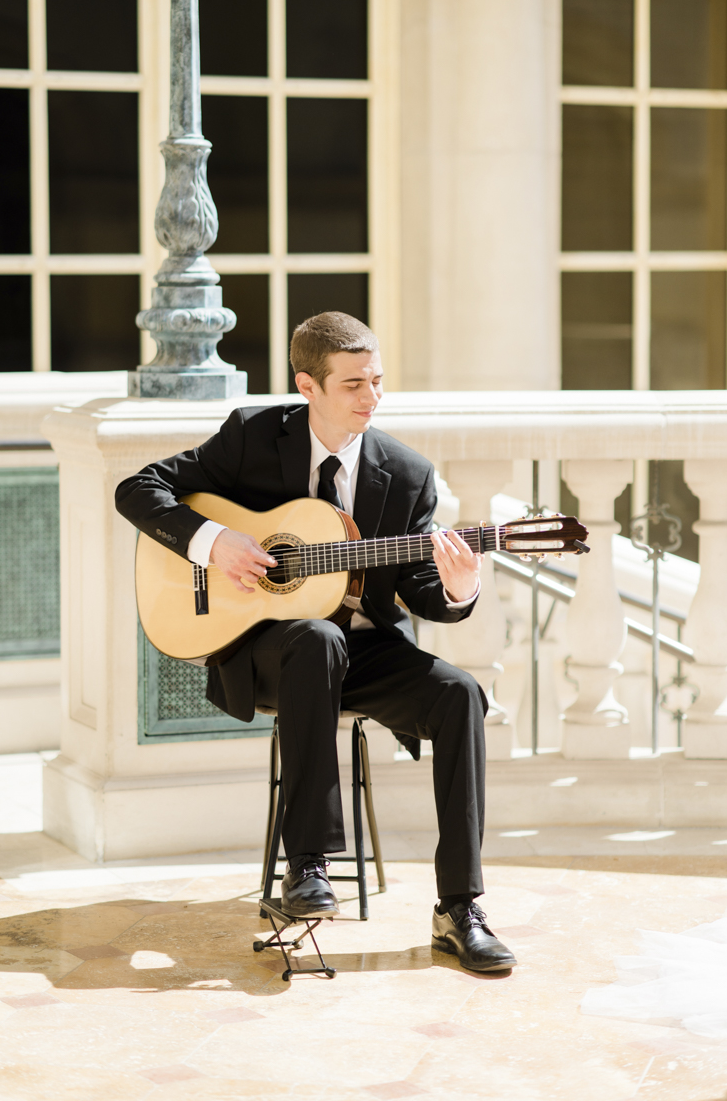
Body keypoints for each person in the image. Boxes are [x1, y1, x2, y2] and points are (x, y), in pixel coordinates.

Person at [115, 312, 516, 974]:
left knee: (459, 694)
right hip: (266, 651)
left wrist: (458, 587)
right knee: (313, 639)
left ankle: (460, 907)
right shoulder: (252, 437)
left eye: (378, 381)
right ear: (308, 384)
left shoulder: (406, 473)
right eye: (354, 383)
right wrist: (218, 543)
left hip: (361, 651)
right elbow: (138, 489)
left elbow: (418, 590)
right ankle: (308, 865)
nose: (371, 397)